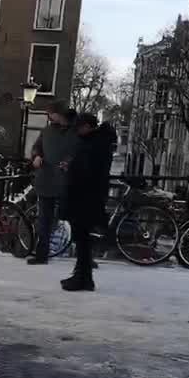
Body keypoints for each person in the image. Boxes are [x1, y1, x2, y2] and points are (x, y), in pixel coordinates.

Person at [60, 112, 116, 292]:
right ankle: (82, 276)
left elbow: (88, 171)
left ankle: (83, 278)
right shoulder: (97, 142)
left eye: (79, 127)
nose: (77, 131)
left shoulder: (94, 144)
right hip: (87, 196)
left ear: (87, 126)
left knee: (83, 238)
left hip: (85, 197)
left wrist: (71, 169)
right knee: (82, 238)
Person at [27, 102, 79, 265]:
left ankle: (84, 256)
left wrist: (71, 163)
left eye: (51, 113)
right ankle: (42, 254)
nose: (49, 117)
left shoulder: (77, 132)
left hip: (69, 181)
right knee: (45, 219)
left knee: (77, 219)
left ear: (58, 114)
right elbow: (37, 147)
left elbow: (83, 151)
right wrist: (36, 156)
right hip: (47, 178)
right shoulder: (47, 131)